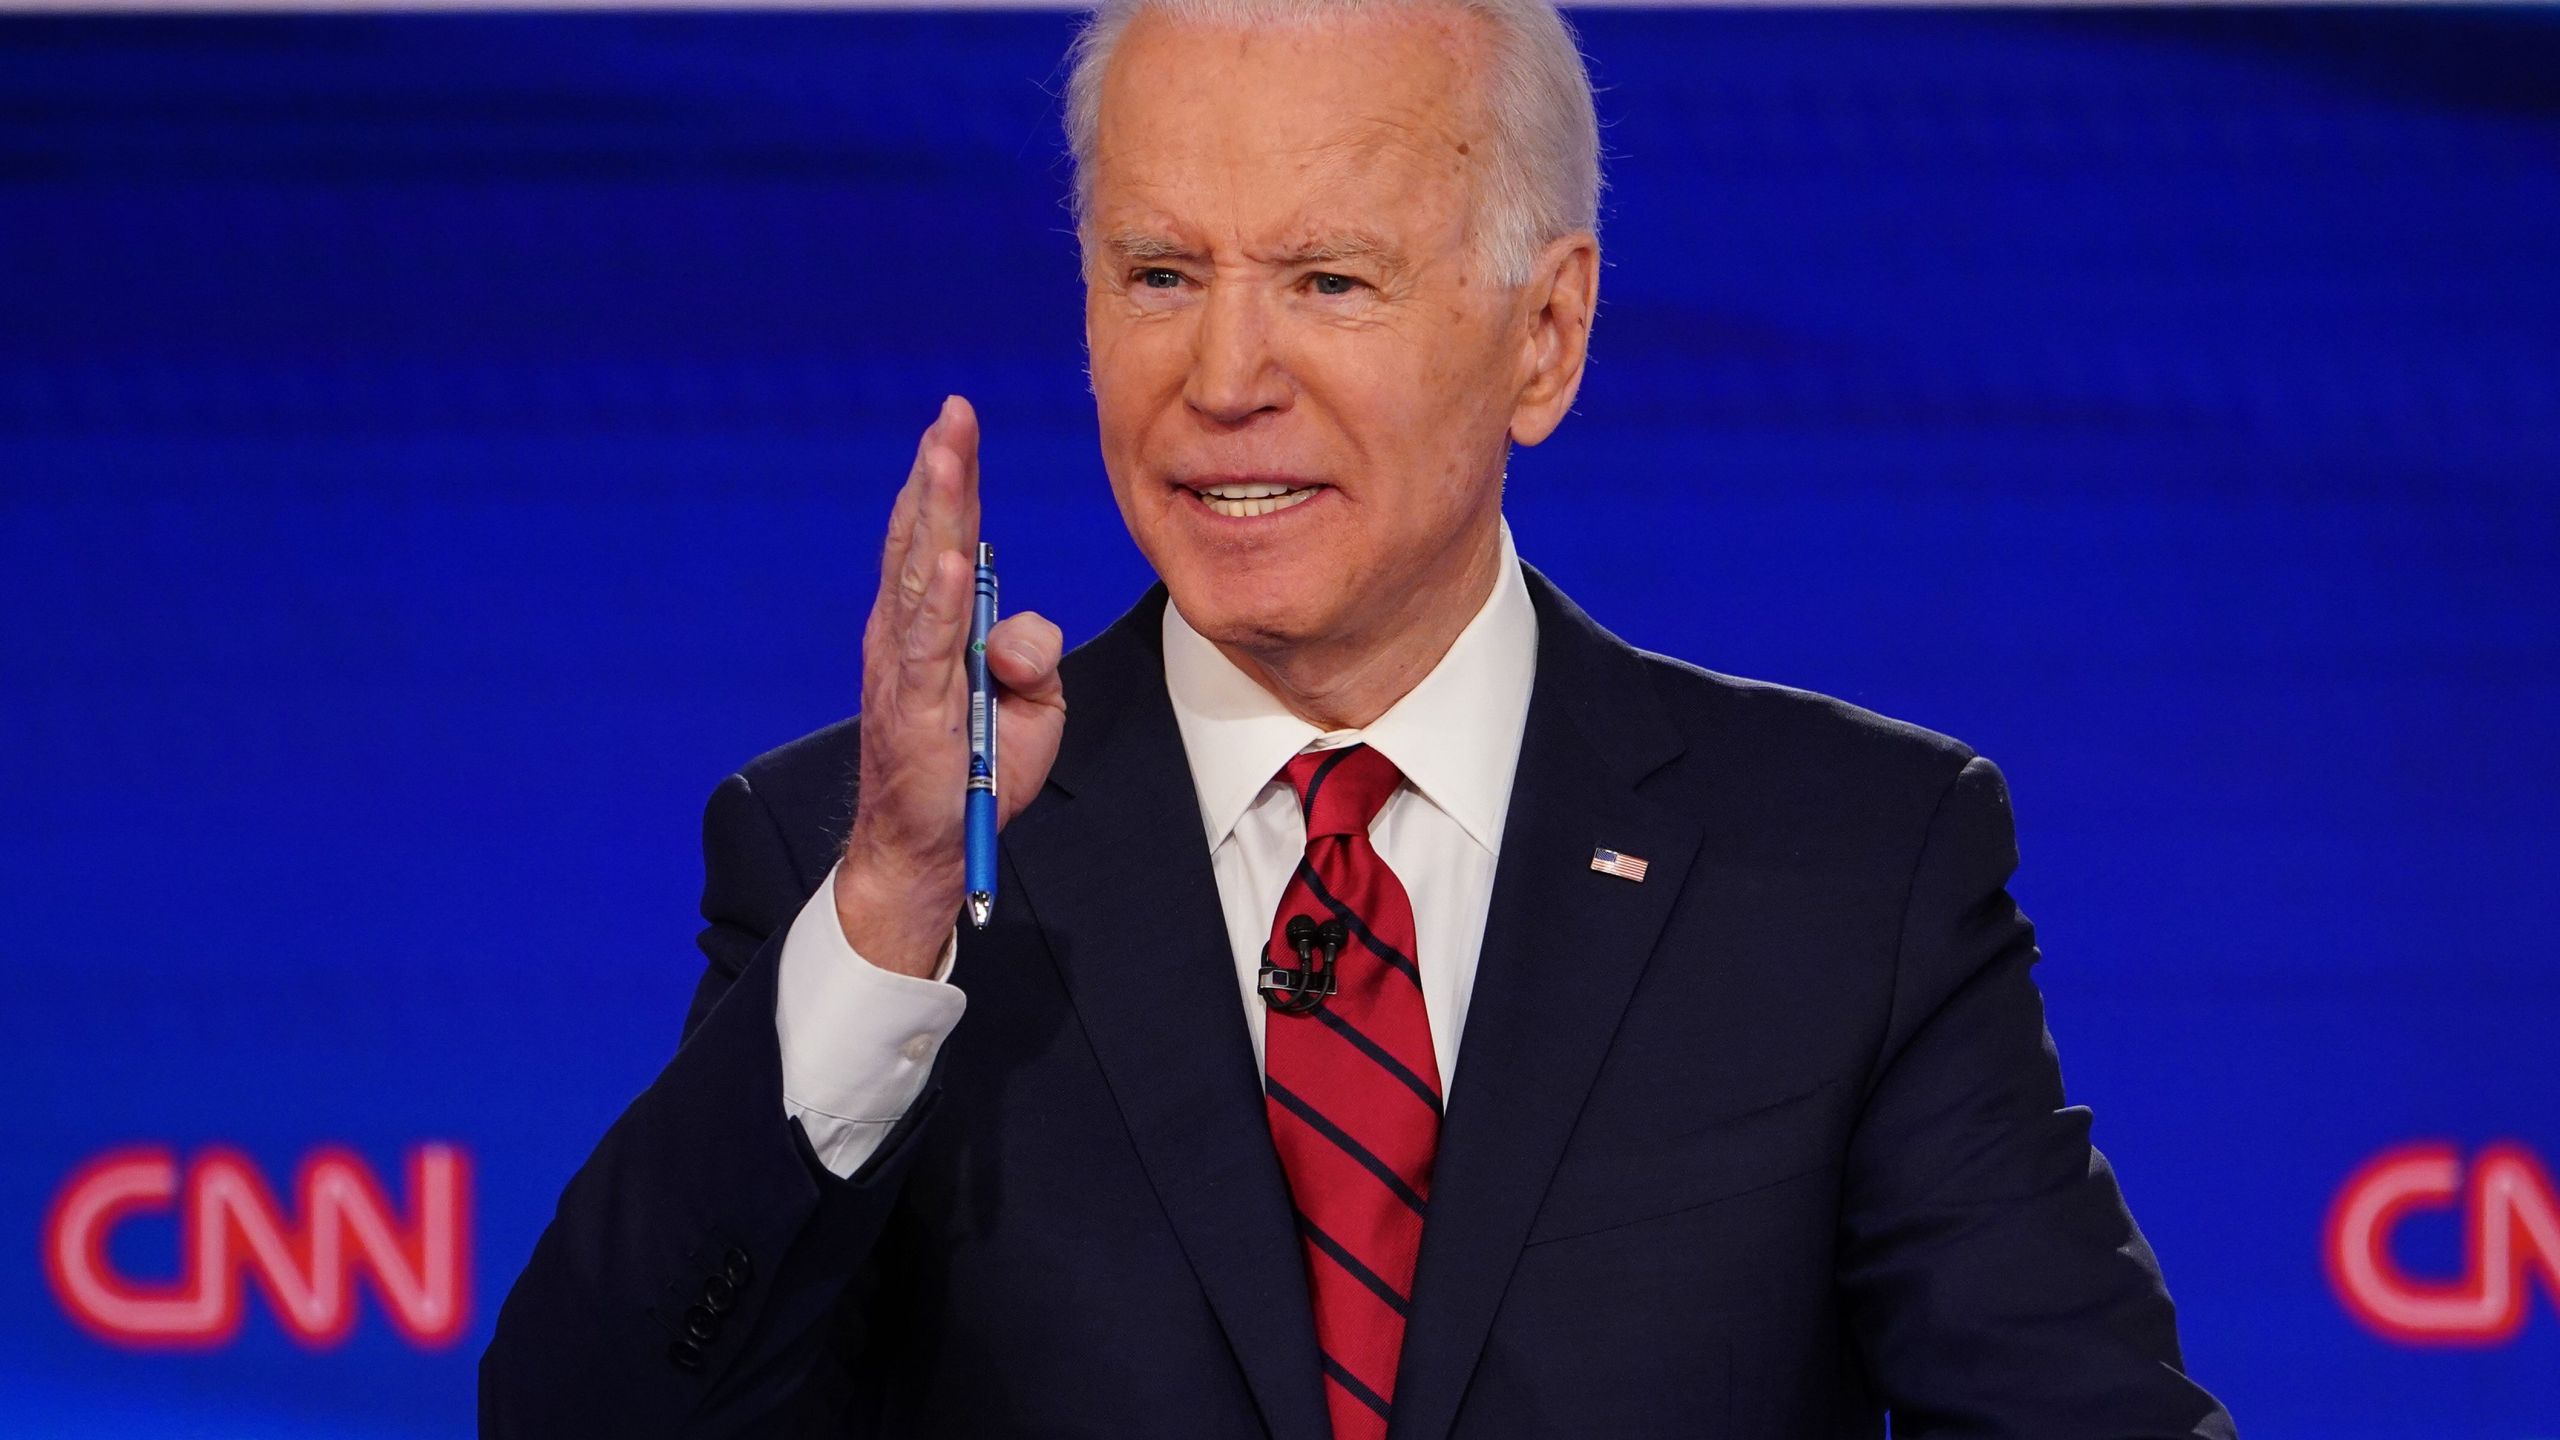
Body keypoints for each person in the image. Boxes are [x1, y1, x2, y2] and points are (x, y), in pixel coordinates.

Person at [481, 0, 2235, 1434]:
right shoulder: (880, 878)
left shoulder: (1847, 869)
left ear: (1546, 336)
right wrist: (880, 930)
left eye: (1329, 280)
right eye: (1161, 274)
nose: (1226, 377)